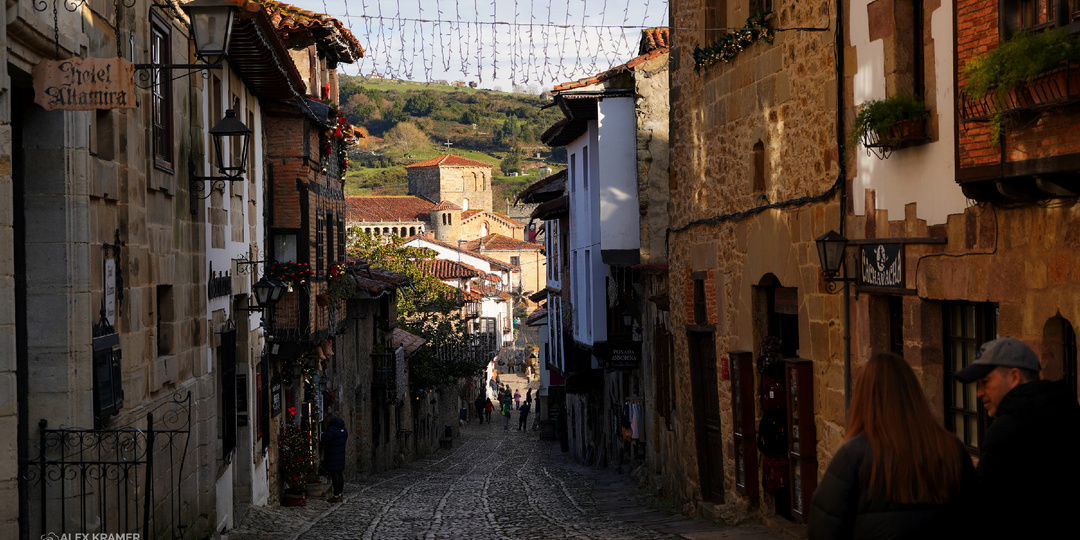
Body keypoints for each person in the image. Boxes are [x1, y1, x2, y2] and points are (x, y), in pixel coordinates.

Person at [809, 353, 977, 540]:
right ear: (913, 393)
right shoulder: (952, 449)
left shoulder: (853, 456)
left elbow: (823, 528)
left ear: (864, 399)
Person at [954, 337, 1080, 539]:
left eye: (985, 382)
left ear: (1014, 377)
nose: (979, 393)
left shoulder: (1005, 432)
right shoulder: (1067, 411)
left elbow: (983, 511)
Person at [320, 415, 349, 503]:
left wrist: (322, 435)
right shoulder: (343, 429)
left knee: (334, 474)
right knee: (339, 473)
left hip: (332, 454)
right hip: (340, 454)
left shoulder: (332, 429)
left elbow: (326, 440)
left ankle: (336, 496)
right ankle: (340, 494)